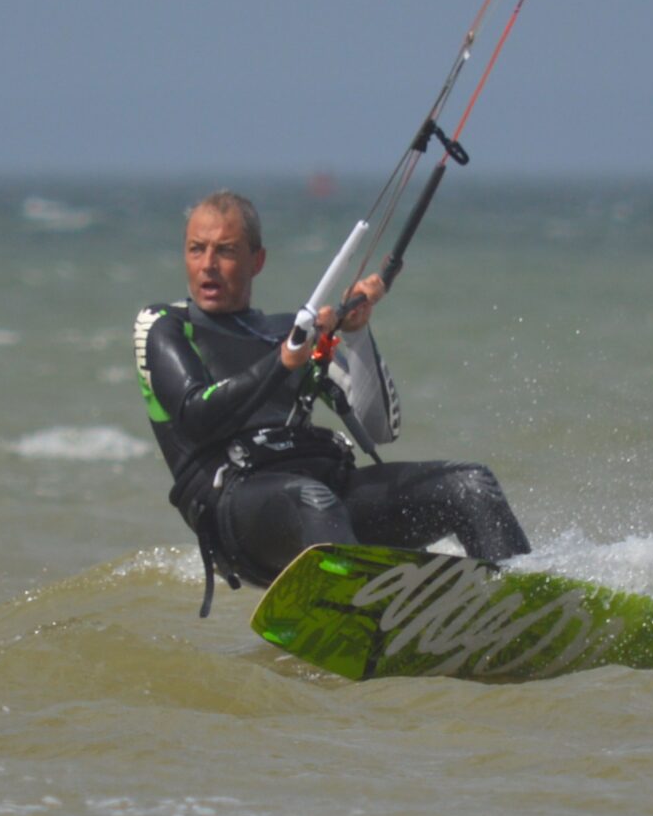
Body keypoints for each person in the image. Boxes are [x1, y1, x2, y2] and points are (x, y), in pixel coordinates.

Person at [135, 191, 530, 613]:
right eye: (197, 249)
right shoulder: (164, 325)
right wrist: (284, 362)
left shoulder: (286, 331)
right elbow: (197, 415)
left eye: (226, 251)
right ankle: (368, 624)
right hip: (238, 512)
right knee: (313, 501)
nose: (208, 264)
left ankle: (527, 610)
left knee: (470, 485)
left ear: (257, 261)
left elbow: (381, 429)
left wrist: (357, 337)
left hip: (326, 499)